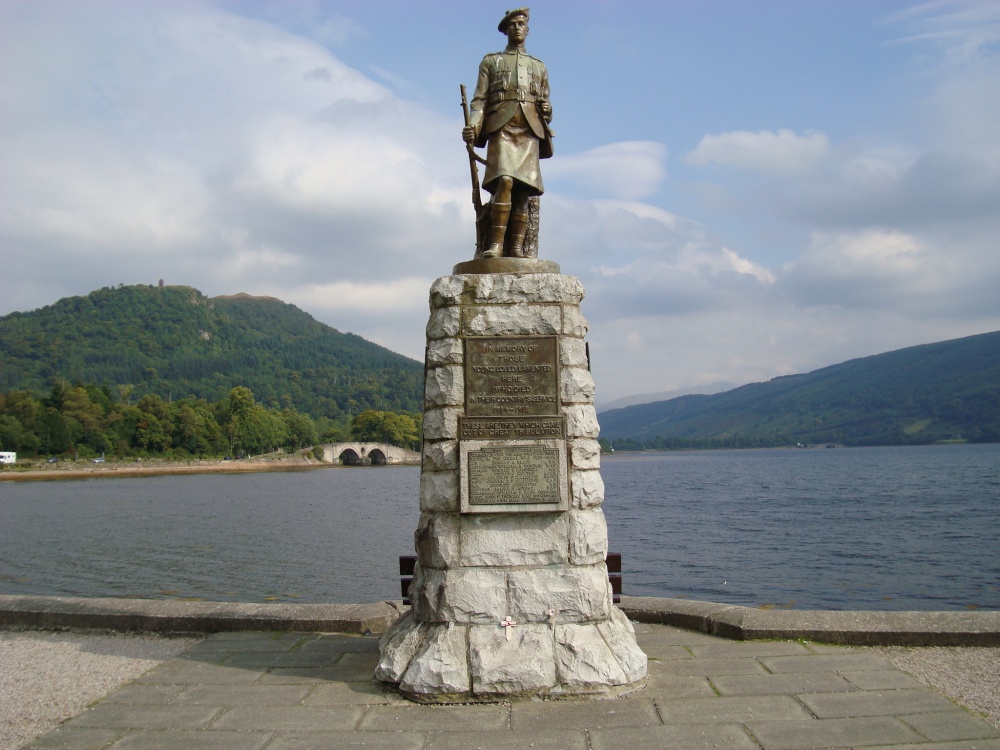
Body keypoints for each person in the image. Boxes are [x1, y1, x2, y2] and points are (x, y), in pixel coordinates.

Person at [463, 7, 553, 259]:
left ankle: (515, 247)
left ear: (527, 29)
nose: (517, 28)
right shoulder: (491, 61)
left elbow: (546, 104)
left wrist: (548, 110)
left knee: (523, 189)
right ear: (506, 30)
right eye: (512, 24)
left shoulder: (539, 66)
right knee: (505, 180)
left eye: (521, 24)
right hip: (501, 127)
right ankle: (497, 244)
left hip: (529, 129)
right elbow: (479, 100)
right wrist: (474, 126)